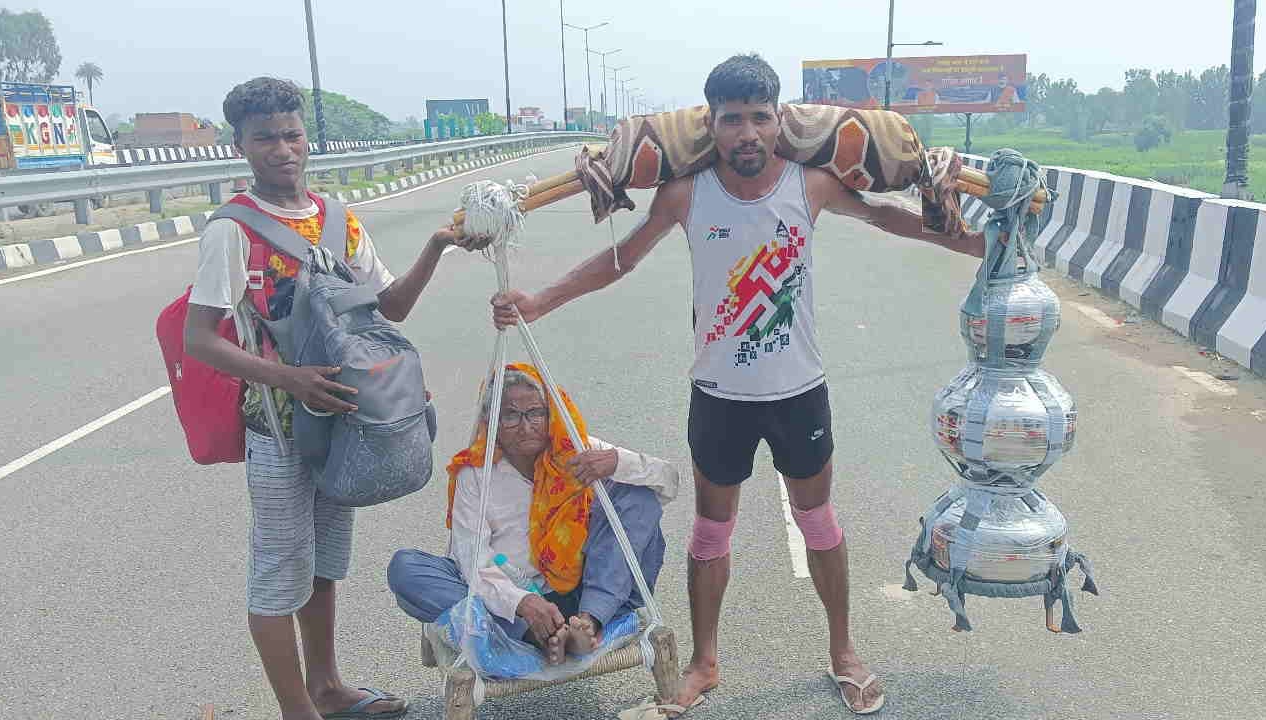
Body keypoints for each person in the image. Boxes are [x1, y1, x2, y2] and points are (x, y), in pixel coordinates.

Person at [491, 54, 984, 715]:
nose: (747, 133)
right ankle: (704, 661)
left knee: (818, 521)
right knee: (710, 533)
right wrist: (542, 300)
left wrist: (975, 246)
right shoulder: (687, 193)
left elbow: (887, 217)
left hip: (798, 391)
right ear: (712, 125)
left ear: (778, 121)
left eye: (759, 117)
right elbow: (621, 259)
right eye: (732, 120)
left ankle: (843, 651)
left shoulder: (812, 184)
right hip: (719, 397)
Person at [184, 76, 485, 720]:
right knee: (277, 565)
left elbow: (390, 308)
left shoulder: (339, 220)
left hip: (345, 423)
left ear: (306, 138)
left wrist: (436, 245)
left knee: (324, 562)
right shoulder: (232, 231)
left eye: (292, 134)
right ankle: (298, 710)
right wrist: (289, 379)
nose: (282, 149)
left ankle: (327, 687)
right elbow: (200, 339)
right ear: (240, 146)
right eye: (264, 137)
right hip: (279, 426)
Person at [388, 363, 678, 664]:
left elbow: (667, 480)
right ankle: (538, 637)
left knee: (638, 494)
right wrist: (522, 602)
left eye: (536, 413)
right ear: (492, 421)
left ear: (552, 413)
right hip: (511, 609)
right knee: (407, 568)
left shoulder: (576, 449)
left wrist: (617, 463)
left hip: (586, 594)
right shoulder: (475, 473)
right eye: (511, 415)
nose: (526, 427)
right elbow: (471, 558)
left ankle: (588, 624)